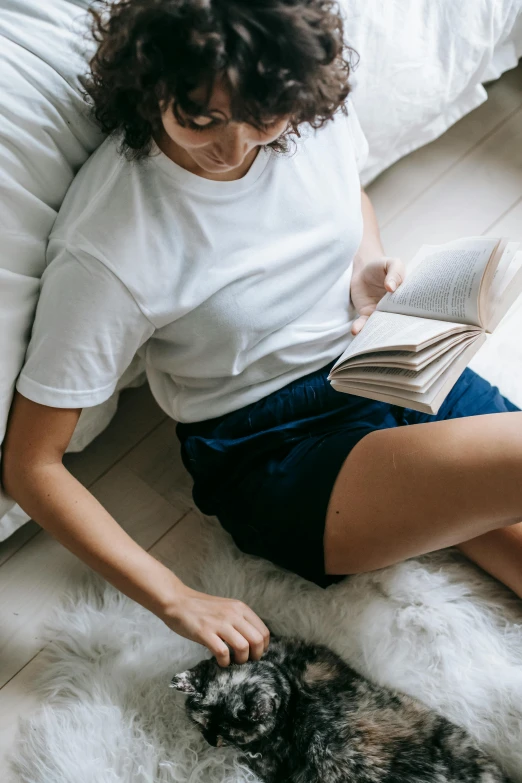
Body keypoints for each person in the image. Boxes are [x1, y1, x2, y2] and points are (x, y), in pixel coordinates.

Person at [2, 0, 522, 670]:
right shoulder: (110, 243)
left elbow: (347, 198)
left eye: (262, 118)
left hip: (383, 363)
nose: (237, 145)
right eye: (203, 120)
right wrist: (174, 597)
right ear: (151, 79)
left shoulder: (305, 114)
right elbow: (31, 464)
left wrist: (366, 266)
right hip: (281, 450)